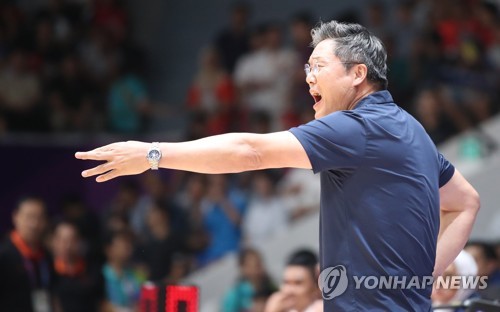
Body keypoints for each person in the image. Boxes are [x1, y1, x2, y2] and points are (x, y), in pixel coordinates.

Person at [75, 20, 480, 310]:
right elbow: (466, 201)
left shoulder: (358, 126)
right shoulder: (410, 129)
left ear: (358, 74)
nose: (308, 78)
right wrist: (419, 278)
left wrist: (152, 154)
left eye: (318, 66)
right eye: (307, 68)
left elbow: (250, 151)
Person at [0, 196, 54, 312]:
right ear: (16, 217)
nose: (34, 224)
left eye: (39, 217)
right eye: (29, 217)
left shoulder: (46, 256)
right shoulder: (4, 255)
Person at [51, 220, 107, 312]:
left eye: (71, 240)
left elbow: (101, 302)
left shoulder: (92, 271)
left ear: (79, 242)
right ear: (54, 242)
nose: (67, 245)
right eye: (63, 240)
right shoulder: (49, 271)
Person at [222, 248, 275, 312]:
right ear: (243, 268)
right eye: (256, 265)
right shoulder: (235, 294)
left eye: (260, 263)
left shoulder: (269, 284)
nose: (260, 268)